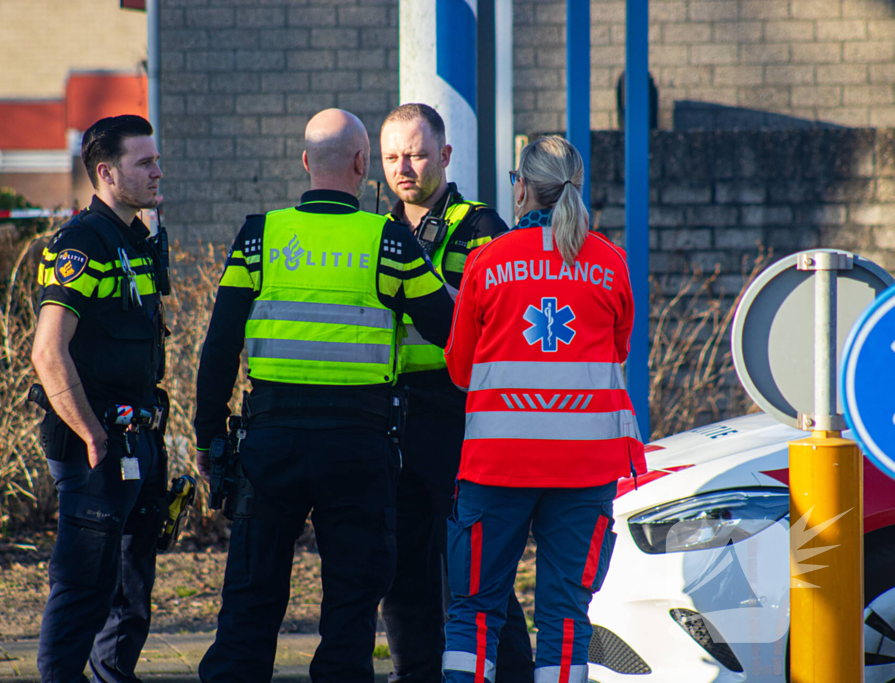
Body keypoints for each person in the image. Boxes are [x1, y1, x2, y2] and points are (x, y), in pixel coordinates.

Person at [193, 108, 456, 683]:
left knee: (249, 601)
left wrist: (208, 437)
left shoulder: (259, 236)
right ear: (364, 165)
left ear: (307, 162)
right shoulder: (386, 239)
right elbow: (447, 327)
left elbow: (218, 348)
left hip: (270, 444)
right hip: (358, 449)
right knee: (351, 610)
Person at [441, 136, 647, 683]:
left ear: (525, 188)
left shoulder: (487, 262)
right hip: (585, 471)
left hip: (497, 466)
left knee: (473, 613)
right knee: (565, 619)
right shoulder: (610, 262)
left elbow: (460, 370)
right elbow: (617, 352)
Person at [377, 103, 534, 683]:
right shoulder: (378, 229)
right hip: (394, 413)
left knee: (472, 564)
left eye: (416, 154)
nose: (405, 167)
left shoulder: (481, 226)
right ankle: (413, 672)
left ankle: (512, 670)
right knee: (401, 563)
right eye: (393, 157)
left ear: (444, 155)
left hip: (458, 414)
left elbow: (495, 315)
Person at [31, 114, 169, 683]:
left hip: (138, 440)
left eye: (156, 159)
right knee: (84, 586)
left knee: (132, 589)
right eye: (145, 163)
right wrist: (91, 433)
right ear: (107, 173)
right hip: (95, 447)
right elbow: (48, 352)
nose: (158, 171)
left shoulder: (137, 238)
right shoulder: (81, 244)